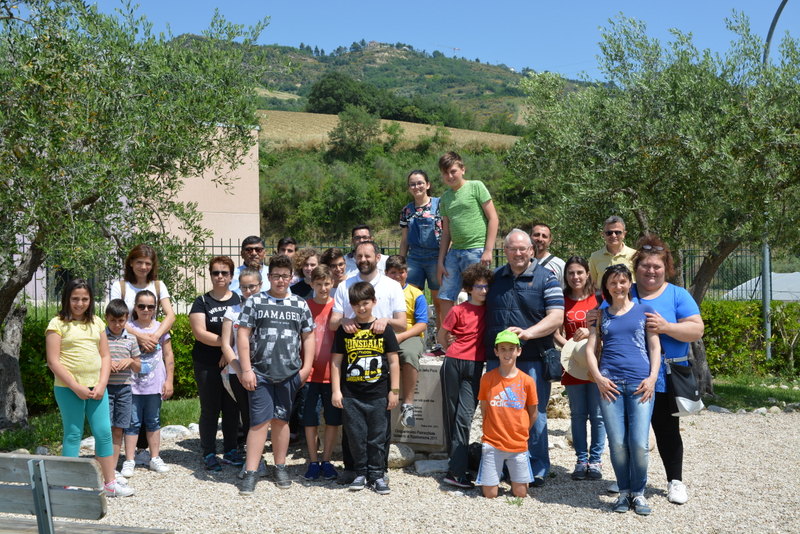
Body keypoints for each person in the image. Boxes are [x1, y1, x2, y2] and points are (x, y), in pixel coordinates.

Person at [484, 229, 564, 487]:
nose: (517, 253)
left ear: (531, 250)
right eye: (512, 249)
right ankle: (505, 466)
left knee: (534, 412)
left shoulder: (547, 278)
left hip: (533, 358)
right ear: (505, 251)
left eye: (522, 249)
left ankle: (536, 468)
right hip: (498, 359)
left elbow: (556, 317)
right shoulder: (495, 277)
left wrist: (528, 333)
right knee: (499, 411)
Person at [631, 236, 704, 505]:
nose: (651, 271)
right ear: (636, 267)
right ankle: (629, 480)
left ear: (666, 268)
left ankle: (675, 481)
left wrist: (667, 327)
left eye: (657, 266)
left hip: (666, 375)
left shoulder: (677, 294)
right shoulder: (624, 291)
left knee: (667, 430)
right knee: (630, 431)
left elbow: (696, 329)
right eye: (645, 266)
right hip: (630, 374)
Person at [46, 279, 133, 497]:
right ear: (66, 299)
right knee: (73, 433)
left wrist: (102, 384)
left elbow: (105, 355)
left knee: (103, 433)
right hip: (68, 389)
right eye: (75, 299)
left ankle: (110, 483)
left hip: (97, 388)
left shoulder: (96, 322)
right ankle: (68, 484)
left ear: (91, 300)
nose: (80, 303)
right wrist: (76, 386)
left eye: (84, 299)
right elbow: (53, 361)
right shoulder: (57, 324)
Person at [585, 264, 661, 516]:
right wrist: (598, 378)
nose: (618, 287)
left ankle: (638, 493)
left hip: (641, 384)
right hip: (610, 386)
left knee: (638, 443)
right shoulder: (599, 315)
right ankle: (624, 492)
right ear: (606, 287)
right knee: (617, 443)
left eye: (622, 281)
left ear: (630, 283)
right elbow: (590, 349)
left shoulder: (645, 311)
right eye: (613, 283)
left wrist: (652, 378)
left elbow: (654, 347)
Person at [329, 240, 406, 483]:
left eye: (368, 255)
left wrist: (384, 320)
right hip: (353, 359)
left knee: (379, 428)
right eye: (359, 256)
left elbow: (402, 323)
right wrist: (344, 321)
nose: (363, 259)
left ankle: (379, 471)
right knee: (353, 427)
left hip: (380, 360)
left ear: (377, 257)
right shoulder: (345, 285)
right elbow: (333, 322)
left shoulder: (392, 285)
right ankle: (353, 469)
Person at [237, 254, 315, 494]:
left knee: (282, 421)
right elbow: (243, 335)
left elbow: (308, 337)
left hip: (289, 374)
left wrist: (306, 369)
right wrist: (246, 369)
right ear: (268, 277)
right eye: (276, 276)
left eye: (285, 276)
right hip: (260, 373)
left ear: (291, 278)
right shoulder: (255, 301)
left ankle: (280, 466)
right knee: (259, 423)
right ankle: (251, 470)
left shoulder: (300, 304)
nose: (280, 280)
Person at [437, 262, 494, 489]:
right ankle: (456, 469)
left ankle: (456, 469)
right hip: (453, 362)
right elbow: (442, 335)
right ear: (469, 288)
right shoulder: (457, 310)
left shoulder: (491, 310)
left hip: (475, 366)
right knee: (451, 416)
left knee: (464, 417)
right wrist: (449, 347)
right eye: (479, 286)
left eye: (486, 286)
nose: (483, 290)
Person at [553, 256, 606, 481]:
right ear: (566, 276)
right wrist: (571, 348)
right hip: (573, 364)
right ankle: (581, 460)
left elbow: (609, 327)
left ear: (587, 274)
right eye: (571, 273)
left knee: (598, 415)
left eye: (579, 272)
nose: (575, 277)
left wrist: (591, 334)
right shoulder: (561, 300)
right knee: (577, 415)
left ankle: (596, 460)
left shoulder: (599, 298)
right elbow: (555, 332)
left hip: (597, 364)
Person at [189, 256, 242, 471]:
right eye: (216, 272)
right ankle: (209, 452)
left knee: (232, 408)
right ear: (210, 275)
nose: (220, 276)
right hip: (207, 363)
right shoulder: (202, 301)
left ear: (231, 276)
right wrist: (225, 345)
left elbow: (245, 330)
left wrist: (228, 353)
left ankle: (231, 450)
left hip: (233, 363)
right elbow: (200, 333)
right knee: (210, 409)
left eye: (224, 272)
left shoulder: (238, 299)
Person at [436, 151, 499, 328]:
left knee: (479, 293)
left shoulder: (476, 186)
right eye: (445, 173)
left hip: (476, 250)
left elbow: (493, 218)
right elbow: (446, 232)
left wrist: (488, 250)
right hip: (454, 252)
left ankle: (479, 331)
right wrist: (441, 261)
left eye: (453, 171)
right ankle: (450, 333)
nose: (450, 176)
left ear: (462, 169)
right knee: (445, 294)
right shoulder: (445, 198)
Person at [476, 329, 537, 499]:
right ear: (496, 351)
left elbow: (533, 413)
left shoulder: (527, 381)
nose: (507, 353)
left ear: (519, 351)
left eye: (511, 349)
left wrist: (522, 430)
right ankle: (495, 477)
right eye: (502, 349)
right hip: (493, 442)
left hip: (518, 444)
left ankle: (512, 477)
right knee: (490, 494)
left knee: (520, 493)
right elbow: (484, 408)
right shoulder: (487, 379)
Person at [121, 290, 174, 476]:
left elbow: (168, 355)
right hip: (132, 384)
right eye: (142, 306)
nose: (146, 310)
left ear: (155, 308)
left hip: (154, 384)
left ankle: (155, 457)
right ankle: (129, 459)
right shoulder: (128, 328)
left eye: (150, 307)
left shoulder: (160, 328)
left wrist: (169, 380)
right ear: (135, 307)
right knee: (132, 423)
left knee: (153, 421)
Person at [220, 267, 267, 477]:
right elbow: (226, 344)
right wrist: (240, 370)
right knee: (247, 417)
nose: (248, 291)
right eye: (244, 287)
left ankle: (260, 459)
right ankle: (252, 461)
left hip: (264, 370)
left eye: (252, 287)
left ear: (260, 286)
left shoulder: (267, 308)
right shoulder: (232, 311)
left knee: (261, 417)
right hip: (238, 371)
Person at [301, 265, 342, 482]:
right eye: (319, 284)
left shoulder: (338, 307)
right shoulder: (305, 306)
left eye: (327, 283)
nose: (323, 288)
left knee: (333, 419)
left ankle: (326, 460)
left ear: (332, 283)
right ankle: (313, 460)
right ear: (311, 284)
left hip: (332, 374)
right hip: (309, 374)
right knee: (310, 419)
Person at [385, 255, 429, 428]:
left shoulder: (416, 294)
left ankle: (408, 405)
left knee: (409, 354)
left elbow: (422, 324)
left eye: (401, 272)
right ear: (386, 273)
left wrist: (401, 337)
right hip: (384, 332)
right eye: (393, 272)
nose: (397, 276)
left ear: (406, 273)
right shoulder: (379, 292)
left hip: (409, 335)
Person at [109, 244, 175, 354]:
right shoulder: (119, 287)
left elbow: (171, 316)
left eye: (148, 263)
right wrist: (139, 336)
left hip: (151, 346)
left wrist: (154, 337)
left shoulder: (159, 286)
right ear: (131, 263)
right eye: (139, 262)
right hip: (124, 344)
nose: (143, 267)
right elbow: (114, 316)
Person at [104, 299, 141, 486]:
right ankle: (105, 466)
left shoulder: (131, 339)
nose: (117, 325)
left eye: (121, 321)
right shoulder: (102, 337)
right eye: (113, 320)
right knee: (105, 429)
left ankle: (112, 468)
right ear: (106, 318)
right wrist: (106, 363)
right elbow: (95, 359)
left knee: (119, 428)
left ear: (126, 319)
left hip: (125, 389)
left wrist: (131, 362)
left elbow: (139, 366)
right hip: (105, 388)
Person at [399, 169, 443, 329]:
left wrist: (444, 258)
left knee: (439, 302)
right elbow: (405, 239)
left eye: (420, 183)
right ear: (409, 188)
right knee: (410, 300)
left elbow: (448, 233)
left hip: (436, 257)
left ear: (428, 185)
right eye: (412, 184)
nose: (416, 187)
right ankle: (412, 335)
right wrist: (400, 262)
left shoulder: (440, 205)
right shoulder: (406, 210)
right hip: (414, 259)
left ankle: (440, 337)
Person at [588, 215, 637, 285]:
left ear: (624, 234)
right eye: (609, 233)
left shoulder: (635, 255)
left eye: (618, 232)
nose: (613, 235)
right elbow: (593, 284)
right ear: (603, 234)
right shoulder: (595, 257)